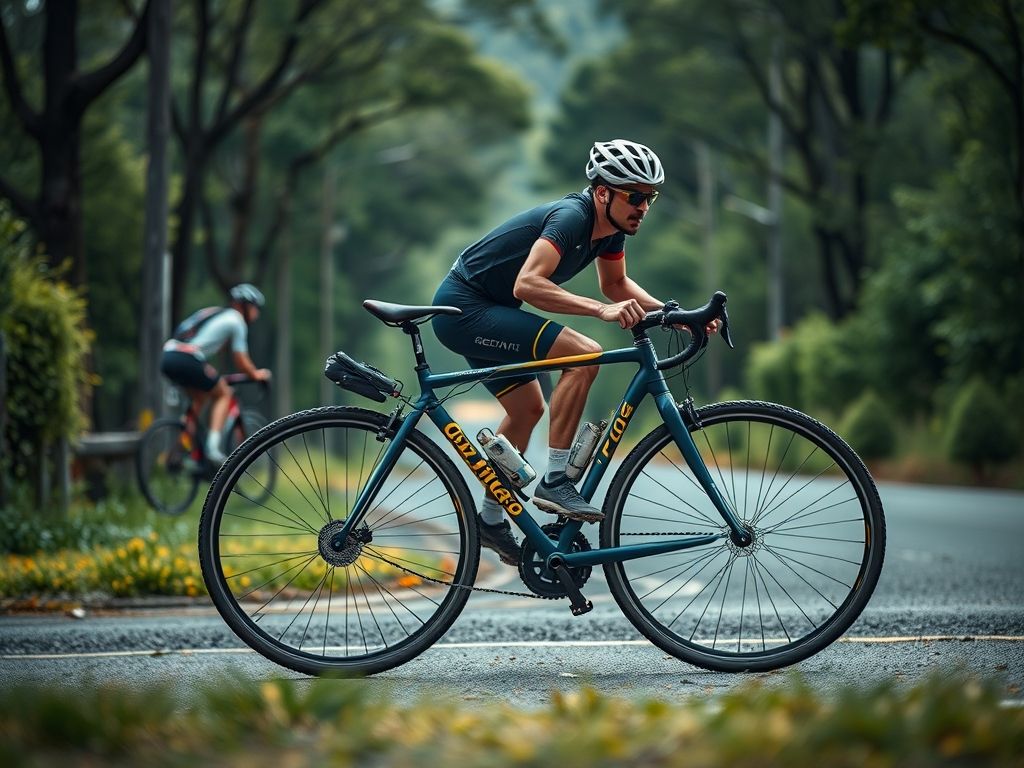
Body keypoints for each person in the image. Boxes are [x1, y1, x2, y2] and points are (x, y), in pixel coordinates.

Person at [432, 139, 721, 565]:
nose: (643, 207)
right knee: (584, 354)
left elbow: (616, 285)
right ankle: (555, 480)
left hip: (489, 310)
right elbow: (528, 284)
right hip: (466, 309)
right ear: (602, 192)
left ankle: (490, 521)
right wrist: (600, 310)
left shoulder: (610, 231)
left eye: (650, 197)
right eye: (634, 197)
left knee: (528, 409)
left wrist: (673, 315)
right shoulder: (571, 218)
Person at [160, 283, 272, 464]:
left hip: (168, 355)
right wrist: (257, 375)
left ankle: (181, 452)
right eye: (255, 307)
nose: (256, 313)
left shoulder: (213, 313)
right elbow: (241, 361)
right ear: (244, 305)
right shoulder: (236, 320)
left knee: (199, 399)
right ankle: (212, 449)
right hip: (188, 358)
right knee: (224, 393)